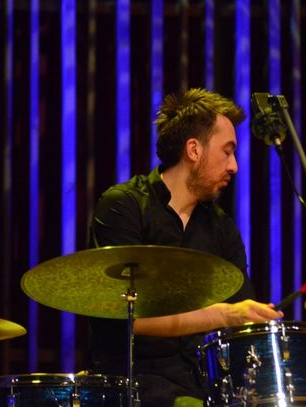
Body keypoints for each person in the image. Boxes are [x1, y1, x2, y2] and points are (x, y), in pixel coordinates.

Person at [88, 88, 283, 406]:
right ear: (193, 149)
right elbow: (125, 319)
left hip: (205, 385)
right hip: (135, 383)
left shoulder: (221, 227)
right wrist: (222, 315)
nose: (234, 166)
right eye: (227, 152)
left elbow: (240, 317)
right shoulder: (125, 206)